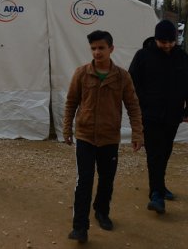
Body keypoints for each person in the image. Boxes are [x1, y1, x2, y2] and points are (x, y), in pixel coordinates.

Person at [63, 30, 143, 244]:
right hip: (85, 136)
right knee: (84, 181)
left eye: (101, 48)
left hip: (109, 138)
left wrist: (138, 132)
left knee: (107, 179)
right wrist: (66, 129)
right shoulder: (81, 74)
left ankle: (101, 211)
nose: (97, 52)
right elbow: (71, 102)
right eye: (93, 48)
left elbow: (133, 106)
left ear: (111, 49)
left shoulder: (122, 76)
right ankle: (80, 227)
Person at [128, 19, 188, 215]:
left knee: (165, 151)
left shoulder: (182, 57)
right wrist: (139, 108)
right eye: (163, 41)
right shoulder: (143, 56)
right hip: (149, 115)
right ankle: (156, 194)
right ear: (156, 39)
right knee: (154, 154)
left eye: (170, 41)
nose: (167, 45)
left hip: (173, 115)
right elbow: (131, 84)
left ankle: (160, 185)